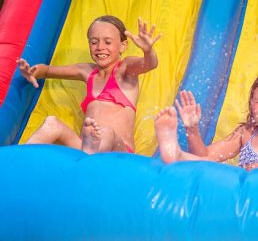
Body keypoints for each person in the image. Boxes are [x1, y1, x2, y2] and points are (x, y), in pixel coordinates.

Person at [17, 15, 161, 154]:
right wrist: (33, 72)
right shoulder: (87, 71)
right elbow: (48, 70)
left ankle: (88, 159)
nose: (100, 47)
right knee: (51, 123)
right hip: (86, 145)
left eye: (108, 42)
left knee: (106, 132)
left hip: (118, 152)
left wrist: (148, 51)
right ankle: (18, 161)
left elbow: (149, 64)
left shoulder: (125, 70)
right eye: (94, 42)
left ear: (123, 46)